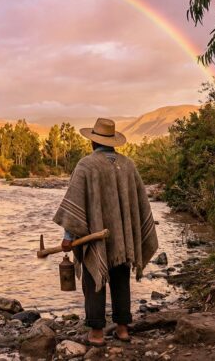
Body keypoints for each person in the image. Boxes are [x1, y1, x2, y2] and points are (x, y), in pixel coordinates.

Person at [53, 118, 159, 347]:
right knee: (121, 279)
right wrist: (130, 234)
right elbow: (141, 205)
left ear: (93, 142)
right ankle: (122, 330)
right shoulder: (128, 165)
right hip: (123, 238)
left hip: (95, 239)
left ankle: (97, 334)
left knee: (94, 281)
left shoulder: (86, 166)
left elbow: (75, 203)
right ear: (113, 142)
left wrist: (68, 238)